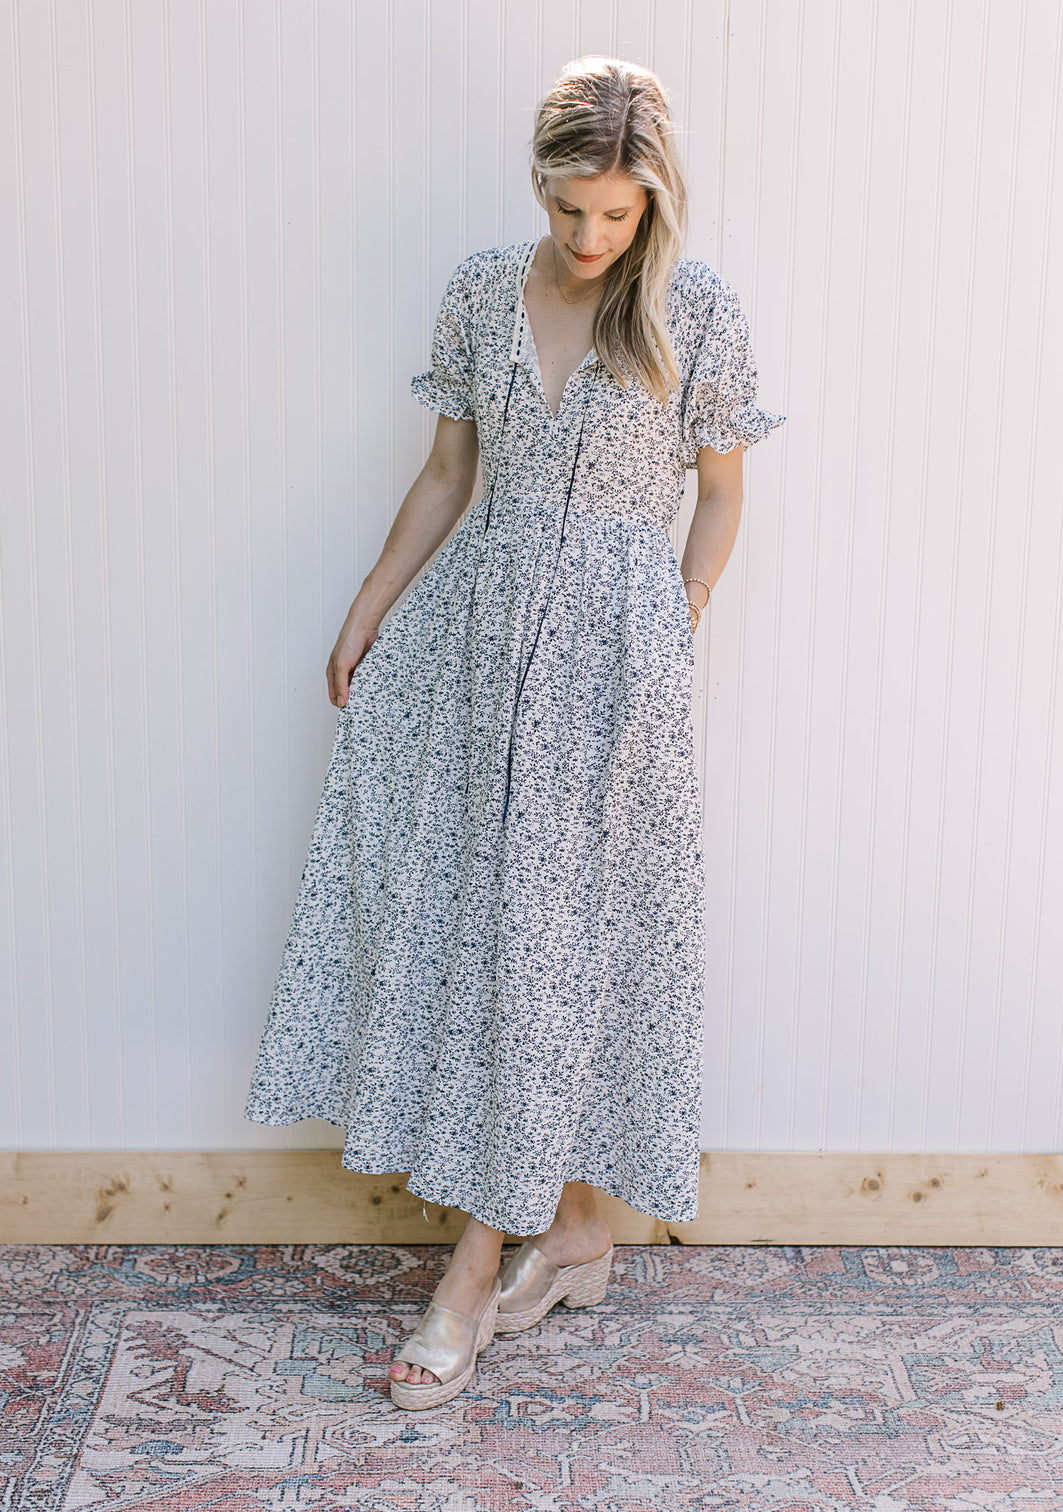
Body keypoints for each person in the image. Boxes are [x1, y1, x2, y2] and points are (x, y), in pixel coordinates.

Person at [244, 54, 784, 1410]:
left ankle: (475, 1273)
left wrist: (678, 619)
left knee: (560, 948)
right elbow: (449, 473)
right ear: (538, 187)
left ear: (655, 199)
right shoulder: (485, 289)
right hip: (474, 645)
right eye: (569, 210)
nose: (591, 237)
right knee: (486, 936)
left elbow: (723, 494)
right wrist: (368, 608)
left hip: (611, 668)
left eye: (617, 213)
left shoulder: (698, 312)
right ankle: (577, 1230)